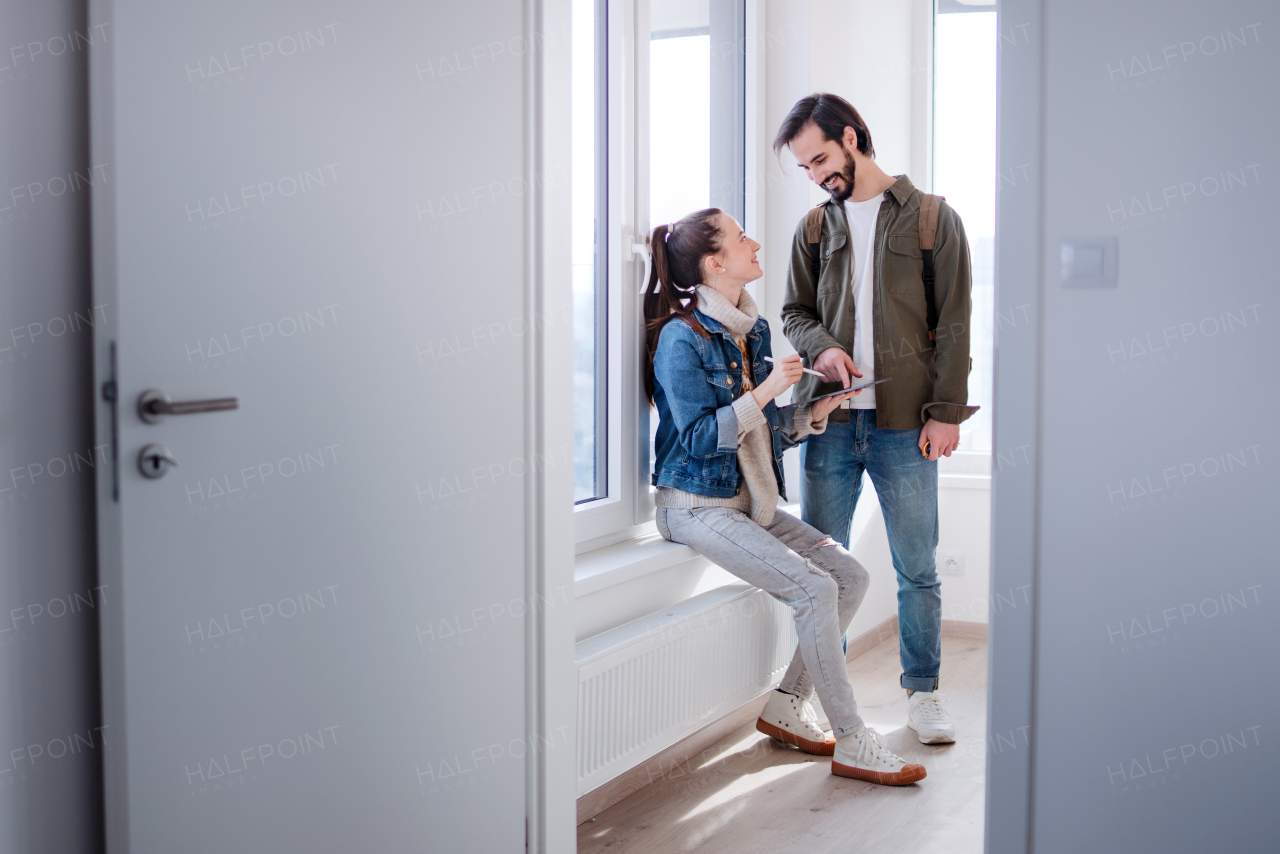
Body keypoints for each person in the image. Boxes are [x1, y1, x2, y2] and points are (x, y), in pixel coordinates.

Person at [645, 206, 927, 786]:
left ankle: (786, 707)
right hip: (696, 504)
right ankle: (852, 739)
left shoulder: (755, 331)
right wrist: (772, 387)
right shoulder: (681, 338)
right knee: (816, 588)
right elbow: (699, 442)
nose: (754, 242)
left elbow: (763, 430)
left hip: (752, 499)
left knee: (849, 576)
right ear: (714, 262)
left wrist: (811, 413)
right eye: (740, 236)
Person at [774, 93, 978, 745]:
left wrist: (946, 414)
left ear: (853, 138)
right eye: (805, 167)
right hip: (829, 426)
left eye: (820, 159)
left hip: (903, 424)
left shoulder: (932, 219)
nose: (815, 175)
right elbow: (794, 314)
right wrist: (824, 348)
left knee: (916, 566)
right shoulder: (813, 228)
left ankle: (923, 695)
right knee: (820, 574)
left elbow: (954, 323)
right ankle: (804, 700)